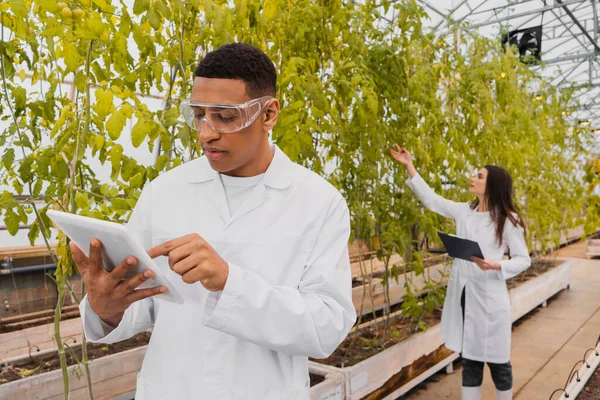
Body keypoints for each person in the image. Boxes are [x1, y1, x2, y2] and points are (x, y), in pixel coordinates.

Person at [71, 43, 356, 400]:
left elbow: (326, 328)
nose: (206, 133)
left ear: (268, 114)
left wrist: (229, 281)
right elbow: (143, 300)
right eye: (199, 114)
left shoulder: (318, 202)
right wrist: (106, 308)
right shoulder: (165, 192)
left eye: (225, 116)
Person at [390, 144, 530, 400]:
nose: (472, 178)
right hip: (465, 295)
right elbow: (431, 200)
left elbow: (524, 260)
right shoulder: (463, 211)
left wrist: (496, 264)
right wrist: (409, 165)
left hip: (491, 296)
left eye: (479, 176)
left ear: (493, 185)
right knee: (470, 359)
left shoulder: (508, 219)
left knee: (499, 362)